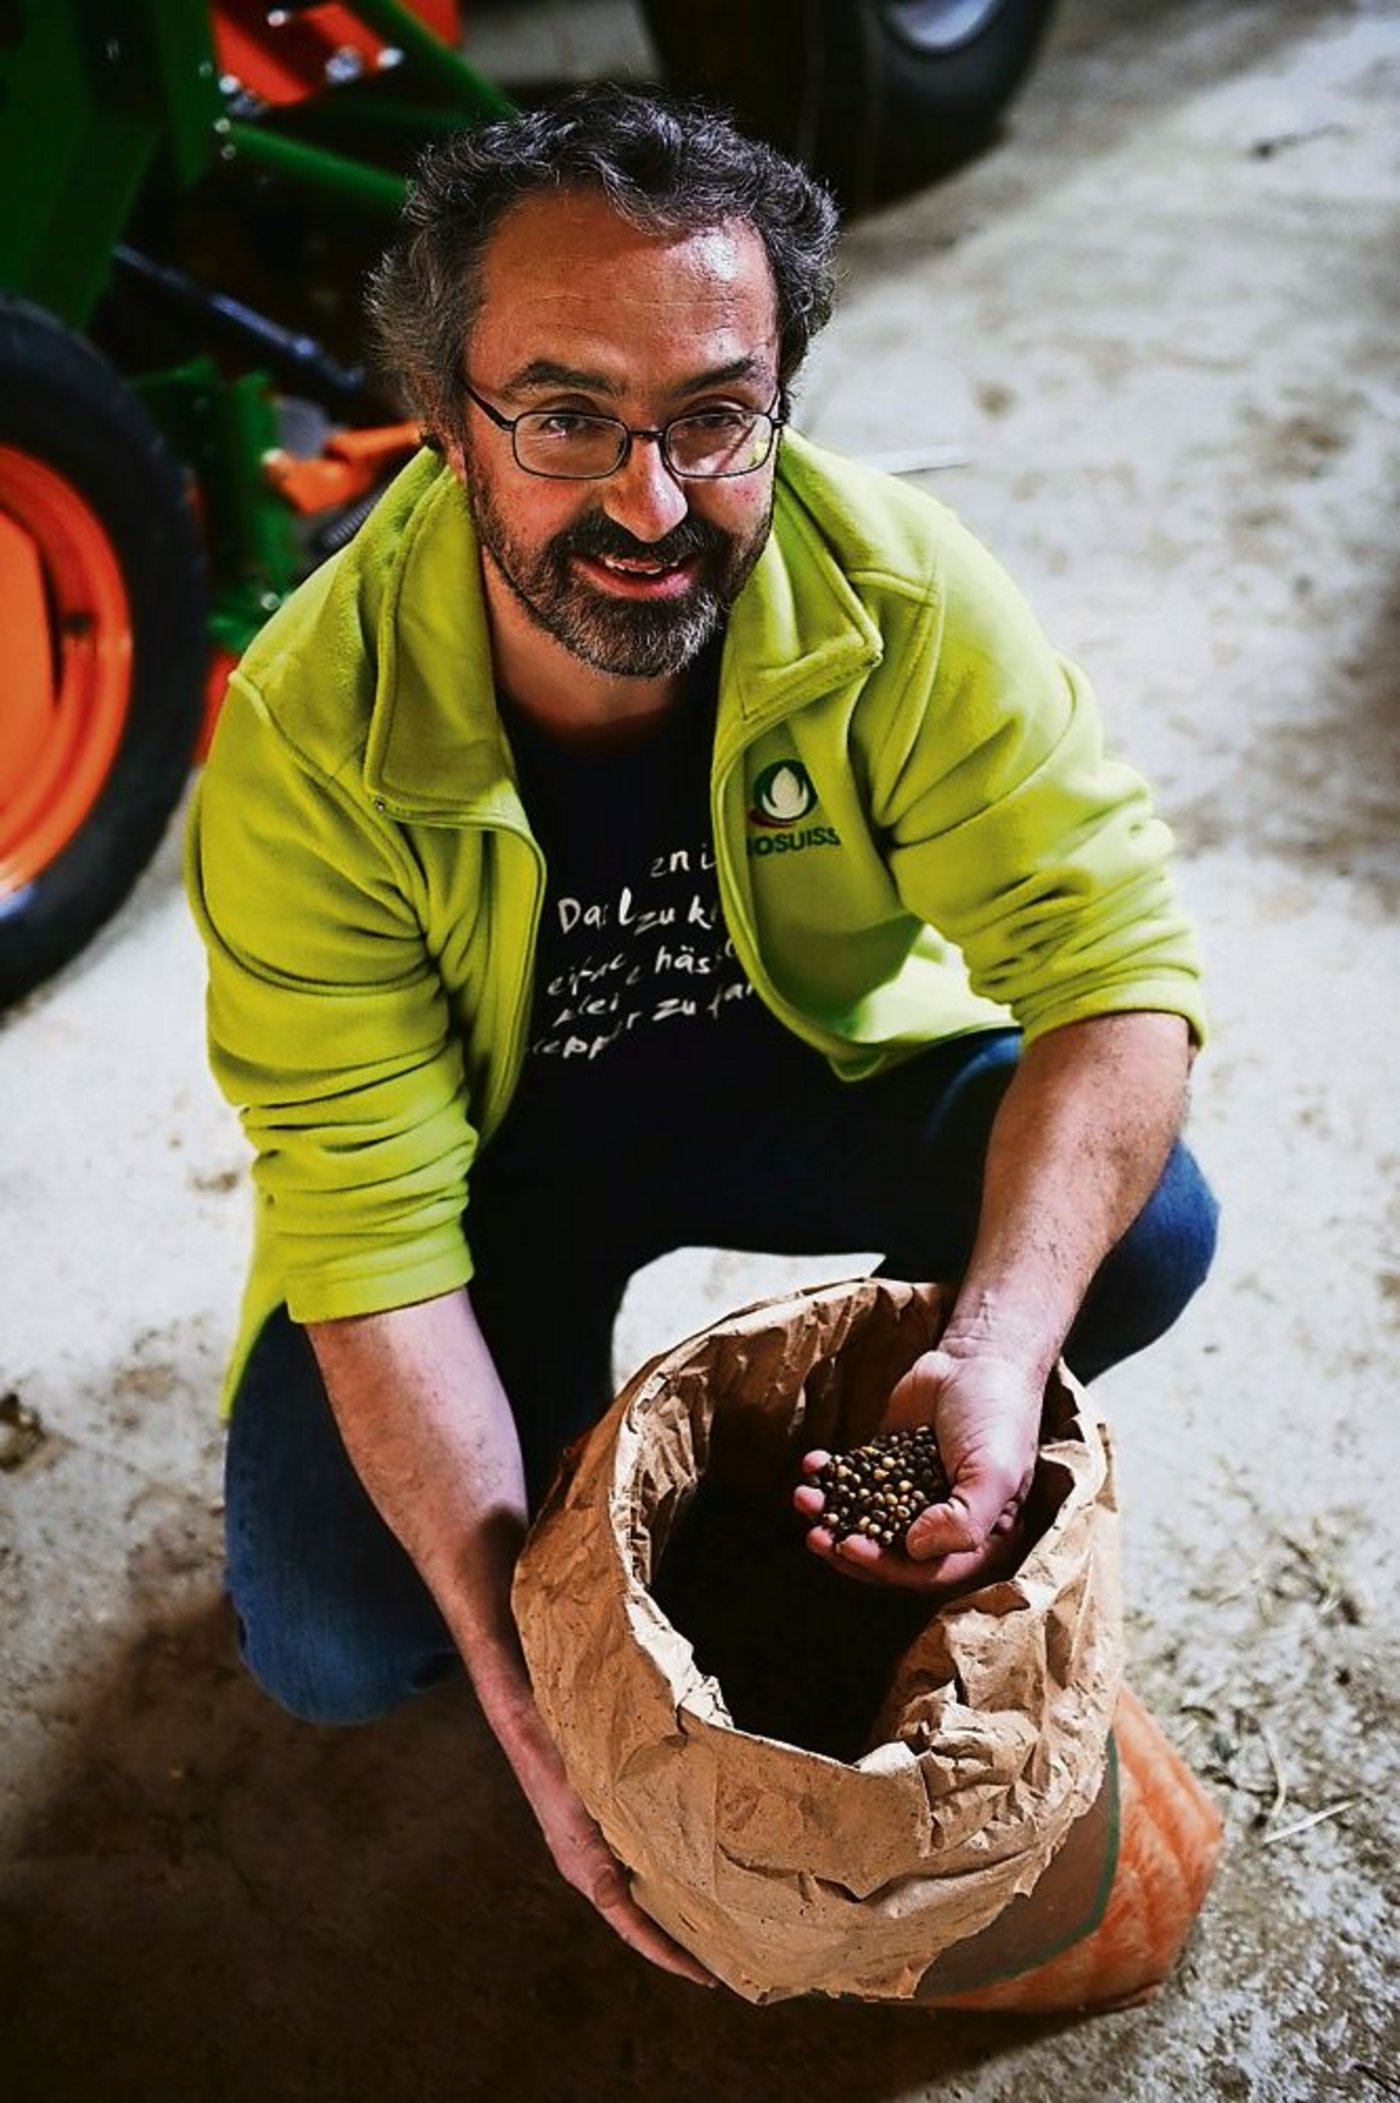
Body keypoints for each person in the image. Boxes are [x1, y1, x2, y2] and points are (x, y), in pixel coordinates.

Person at [185, 85, 1217, 1987]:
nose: (647, 505)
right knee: (340, 1642)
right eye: (566, 415)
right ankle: (604, 1484)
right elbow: (369, 1230)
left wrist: (987, 1358)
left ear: (777, 406)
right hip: (497, 1172)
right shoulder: (306, 736)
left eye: (711, 416)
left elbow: (1117, 969)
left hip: (789, 1080)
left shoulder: (896, 591)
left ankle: (882, 1450)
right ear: (441, 413)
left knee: (1135, 1232)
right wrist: (549, 1725)